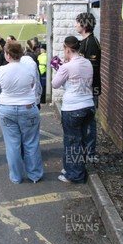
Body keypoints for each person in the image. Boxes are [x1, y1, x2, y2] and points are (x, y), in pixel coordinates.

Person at [0, 41, 44, 184]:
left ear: (8, 54)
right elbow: (33, 84)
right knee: (31, 142)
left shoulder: (1, 70)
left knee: (12, 144)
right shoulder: (29, 69)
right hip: (27, 107)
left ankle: (16, 176)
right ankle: (34, 175)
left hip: (7, 108)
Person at [51, 36, 96, 184]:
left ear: (67, 49)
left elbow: (55, 84)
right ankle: (72, 168)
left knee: (72, 142)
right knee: (82, 140)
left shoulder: (66, 67)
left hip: (72, 107)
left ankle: (75, 174)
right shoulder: (87, 63)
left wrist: (58, 69)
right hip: (88, 105)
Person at [75, 12, 101, 107]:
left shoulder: (92, 43)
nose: (75, 25)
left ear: (85, 25)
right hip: (83, 90)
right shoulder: (84, 41)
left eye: (77, 22)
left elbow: (91, 68)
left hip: (88, 91)